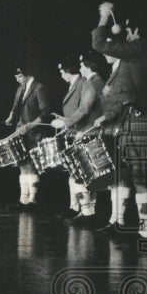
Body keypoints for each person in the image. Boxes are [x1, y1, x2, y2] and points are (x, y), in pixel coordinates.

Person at [89, 2, 147, 240]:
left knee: (140, 177)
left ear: (136, 31)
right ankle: (140, 223)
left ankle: (146, 225)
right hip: (139, 120)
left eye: (129, 31)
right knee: (135, 175)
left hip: (139, 121)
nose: (127, 35)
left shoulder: (140, 47)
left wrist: (103, 17)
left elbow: (98, 43)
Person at [50, 56, 101, 220]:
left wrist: (64, 122)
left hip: (83, 131)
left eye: (61, 72)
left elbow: (84, 110)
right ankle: (76, 208)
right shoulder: (81, 83)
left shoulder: (85, 83)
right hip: (76, 131)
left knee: (83, 173)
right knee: (75, 172)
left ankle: (87, 212)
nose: (61, 75)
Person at [5, 65, 52, 211]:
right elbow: (15, 107)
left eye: (19, 76)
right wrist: (10, 117)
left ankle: (33, 200)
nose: (17, 79)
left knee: (32, 166)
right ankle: (23, 200)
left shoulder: (39, 88)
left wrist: (31, 125)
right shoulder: (20, 89)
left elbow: (46, 111)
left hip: (35, 132)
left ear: (27, 75)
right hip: (21, 131)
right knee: (22, 166)